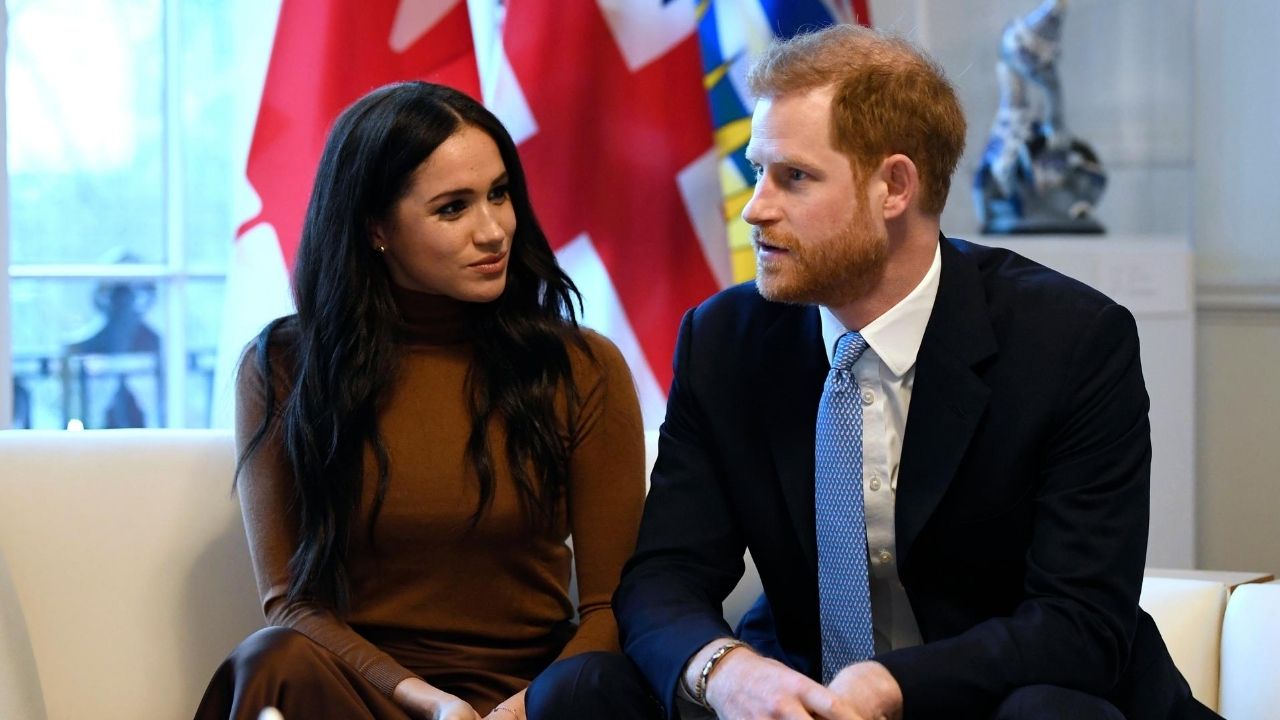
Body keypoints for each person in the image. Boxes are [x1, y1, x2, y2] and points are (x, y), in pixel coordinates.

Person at [611, 25, 1214, 720]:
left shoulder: (1071, 342)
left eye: (794, 177)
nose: (756, 207)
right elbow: (665, 575)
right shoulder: (725, 341)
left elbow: (1080, 624)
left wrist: (891, 686)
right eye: (757, 171)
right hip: (804, 699)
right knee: (590, 689)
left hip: (1016, 700)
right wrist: (727, 673)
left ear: (894, 186)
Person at [193, 81, 645, 720]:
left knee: (602, 684)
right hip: (368, 696)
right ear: (376, 228)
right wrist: (431, 705)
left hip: (536, 699)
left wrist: (517, 711)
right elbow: (293, 603)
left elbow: (611, 606)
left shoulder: (580, 366)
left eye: (499, 194)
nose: (493, 231)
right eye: (453, 208)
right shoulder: (284, 368)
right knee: (271, 659)